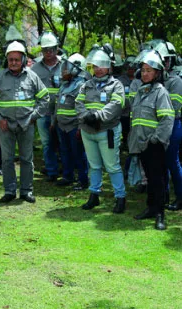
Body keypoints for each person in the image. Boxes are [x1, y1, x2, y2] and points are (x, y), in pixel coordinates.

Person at [0, 41, 49, 203]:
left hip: (26, 125)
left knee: (27, 159)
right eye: (10, 59)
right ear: (7, 60)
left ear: (23, 59)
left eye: (16, 59)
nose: (13, 62)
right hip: (5, 126)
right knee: (7, 160)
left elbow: (44, 98)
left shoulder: (32, 77)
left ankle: (26, 191)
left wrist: (33, 117)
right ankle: (10, 190)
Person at [75, 48, 126, 213]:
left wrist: (97, 116)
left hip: (107, 131)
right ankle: (94, 195)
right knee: (94, 165)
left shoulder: (116, 85)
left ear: (109, 67)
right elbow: (78, 104)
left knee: (112, 166)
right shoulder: (86, 85)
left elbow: (116, 105)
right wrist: (86, 117)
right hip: (88, 131)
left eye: (102, 66)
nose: (98, 69)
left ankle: (120, 197)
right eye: (95, 66)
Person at [129, 50, 174, 230]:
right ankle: (151, 208)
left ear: (157, 73)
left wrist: (156, 139)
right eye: (143, 70)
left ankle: (160, 215)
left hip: (154, 144)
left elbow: (167, 118)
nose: (145, 73)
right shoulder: (140, 91)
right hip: (141, 143)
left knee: (158, 179)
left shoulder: (160, 92)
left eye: (149, 70)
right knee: (149, 178)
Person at [154, 41, 182, 211]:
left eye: (165, 60)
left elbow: (175, 108)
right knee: (160, 162)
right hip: (158, 125)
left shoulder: (175, 81)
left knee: (172, 162)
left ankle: (180, 197)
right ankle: (163, 196)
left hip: (174, 125)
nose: (163, 63)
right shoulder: (156, 81)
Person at [55, 53, 89, 190]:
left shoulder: (81, 86)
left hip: (74, 126)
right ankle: (68, 176)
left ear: (76, 68)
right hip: (61, 126)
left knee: (79, 154)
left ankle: (83, 180)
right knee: (65, 152)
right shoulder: (64, 85)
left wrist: (81, 127)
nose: (64, 71)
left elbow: (82, 108)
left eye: (67, 68)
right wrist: (54, 122)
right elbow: (57, 104)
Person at [31, 31, 62, 181]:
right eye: (45, 50)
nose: (48, 52)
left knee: (63, 142)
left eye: (51, 49)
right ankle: (52, 171)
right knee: (47, 143)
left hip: (63, 112)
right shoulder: (34, 69)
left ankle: (66, 169)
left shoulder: (66, 66)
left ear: (57, 49)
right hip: (43, 112)